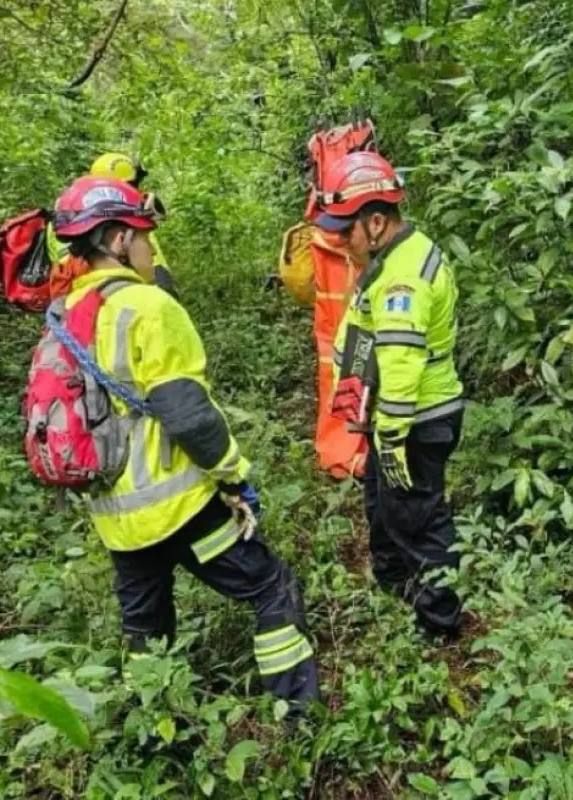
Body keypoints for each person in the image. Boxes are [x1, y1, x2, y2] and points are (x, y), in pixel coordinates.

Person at [51, 175, 320, 714]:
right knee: (272, 588)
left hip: (116, 518)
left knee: (145, 632)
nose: (151, 249)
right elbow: (188, 416)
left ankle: (154, 739)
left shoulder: (64, 316)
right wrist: (233, 476)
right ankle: (297, 718)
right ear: (118, 240)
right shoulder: (148, 306)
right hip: (179, 506)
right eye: (145, 237)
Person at [313, 151, 466, 638]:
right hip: (394, 422)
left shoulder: (401, 278)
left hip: (416, 421)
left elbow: (401, 366)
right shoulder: (389, 259)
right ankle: (397, 588)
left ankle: (439, 624)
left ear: (376, 221)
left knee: (418, 520)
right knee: (384, 506)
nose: (340, 241)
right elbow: (365, 337)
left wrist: (394, 438)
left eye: (345, 231)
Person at [47, 153, 178, 297]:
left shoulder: (66, 216)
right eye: (132, 185)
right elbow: (151, 261)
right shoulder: (127, 222)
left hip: (78, 295)